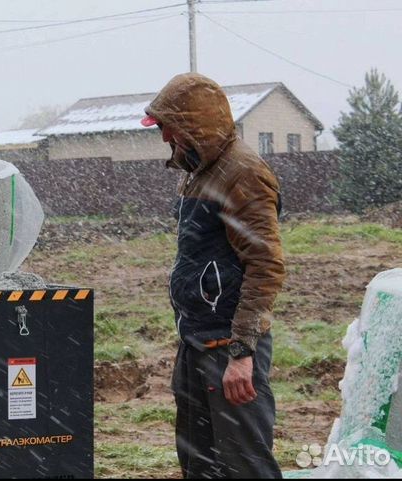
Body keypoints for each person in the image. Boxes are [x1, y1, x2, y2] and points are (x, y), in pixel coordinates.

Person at [141, 72, 285, 479]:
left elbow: (265, 265)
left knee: (245, 465)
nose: (165, 137)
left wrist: (242, 354)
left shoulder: (243, 174)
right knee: (198, 463)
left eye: (168, 126)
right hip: (197, 340)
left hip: (228, 344)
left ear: (192, 124)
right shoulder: (201, 170)